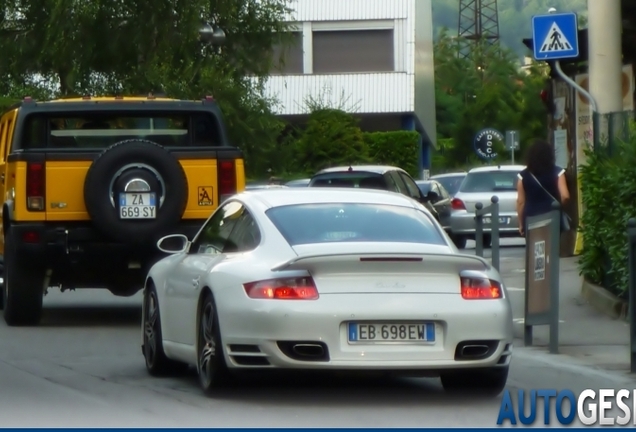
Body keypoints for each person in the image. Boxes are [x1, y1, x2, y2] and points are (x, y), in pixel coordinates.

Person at [516, 139, 570, 236]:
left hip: (531, 218)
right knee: (553, 247)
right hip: (553, 217)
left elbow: (521, 202)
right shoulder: (558, 172)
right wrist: (560, 208)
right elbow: (565, 196)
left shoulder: (523, 175)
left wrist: (520, 224)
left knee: (533, 247)